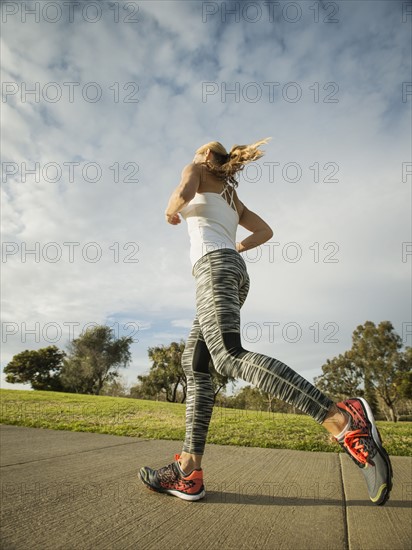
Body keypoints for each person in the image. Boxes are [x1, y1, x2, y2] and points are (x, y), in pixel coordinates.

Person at [139, 138, 392, 505]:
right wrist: (235, 249)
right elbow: (265, 231)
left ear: (206, 156)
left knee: (226, 356)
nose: (193, 156)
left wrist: (169, 211)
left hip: (213, 268)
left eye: (198, 152)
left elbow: (181, 192)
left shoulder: (194, 169)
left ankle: (343, 420)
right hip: (231, 270)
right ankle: (188, 471)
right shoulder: (230, 196)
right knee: (196, 364)